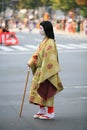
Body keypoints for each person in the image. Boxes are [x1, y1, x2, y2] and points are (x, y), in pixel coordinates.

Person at [27, 21, 63, 119]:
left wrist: (43, 71)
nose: (39, 30)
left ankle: (50, 112)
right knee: (37, 90)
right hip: (40, 70)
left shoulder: (50, 42)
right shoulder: (44, 40)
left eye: (41, 28)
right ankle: (42, 110)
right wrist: (31, 61)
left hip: (47, 72)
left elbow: (49, 59)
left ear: (46, 29)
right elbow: (37, 54)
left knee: (47, 91)